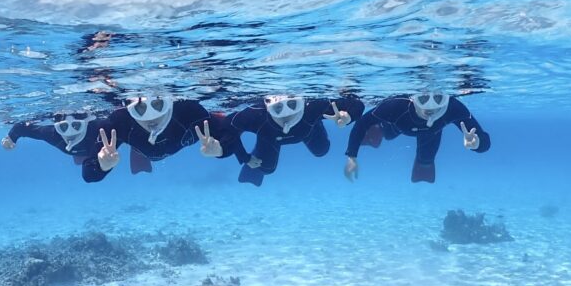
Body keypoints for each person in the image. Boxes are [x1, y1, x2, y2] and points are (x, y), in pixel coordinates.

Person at [82, 92, 249, 183]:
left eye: (157, 104)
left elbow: (230, 136)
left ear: (170, 101)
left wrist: (220, 149)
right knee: (133, 137)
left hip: (143, 141)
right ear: (129, 108)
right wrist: (102, 166)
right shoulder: (119, 122)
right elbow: (89, 174)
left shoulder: (189, 112)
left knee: (224, 120)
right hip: (139, 142)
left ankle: (137, 146)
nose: (150, 118)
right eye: (139, 109)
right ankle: (136, 147)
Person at [344, 93, 490, 184]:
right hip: (400, 124)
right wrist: (352, 156)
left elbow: (484, 141)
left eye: (438, 98)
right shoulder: (397, 106)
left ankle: (381, 132)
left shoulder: (453, 107)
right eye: (424, 98)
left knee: (426, 160)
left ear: (446, 98)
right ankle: (379, 130)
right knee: (388, 133)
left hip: (431, 133)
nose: (431, 107)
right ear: (414, 98)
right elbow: (362, 123)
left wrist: (477, 144)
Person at [227, 92, 366, 185]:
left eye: (293, 104)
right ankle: (257, 149)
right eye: (278, 108)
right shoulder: (256, 115)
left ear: (301, 102)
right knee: (267, 169)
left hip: (307, 130)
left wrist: (348, 117)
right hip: (270, 137)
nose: (286, 115)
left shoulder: (313, 107)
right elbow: (228, 128)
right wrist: (244, 157)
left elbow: (357, 104)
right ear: (268, 107)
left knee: (322, 150)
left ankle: (317, 122)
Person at [1, 110, 107, 166]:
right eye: (63, 127)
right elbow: (22, 128)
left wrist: (11, 138)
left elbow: (20, 128)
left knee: (79, 162)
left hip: (84, 151)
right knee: (79, 162)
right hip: (90, 151)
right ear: (57, 125)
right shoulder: (54, 134)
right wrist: (11, 138)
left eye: (76, 125)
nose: (70, 132)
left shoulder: (53, 135)